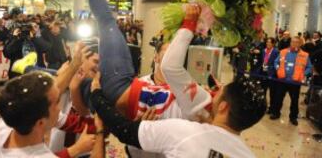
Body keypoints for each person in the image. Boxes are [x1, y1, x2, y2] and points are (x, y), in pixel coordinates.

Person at [74, 0, 211, 123]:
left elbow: (170, 67)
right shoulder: (198, 104)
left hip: (118, 88)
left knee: (107, 23)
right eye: (166, 53)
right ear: (156, 58)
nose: (171, 57)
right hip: (125, 83)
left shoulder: (199, 109)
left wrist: (189, 25)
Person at [90, 71, 266, 158]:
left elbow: (124, 130)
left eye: (220, 91)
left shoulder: (186, 133)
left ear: (223, 107)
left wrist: (96, 95)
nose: (216, 91)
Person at [0, 71, 105, 158]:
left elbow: (71, 122)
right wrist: (99, 132)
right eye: (57, 103)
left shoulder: (2, 125)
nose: (61, 108)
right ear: (41, 122)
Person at [271, 36, 312, 125]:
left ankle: (293, 117)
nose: (294, 44)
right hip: (282, 80)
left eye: (297, 42)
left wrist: (304, 74)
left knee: (294, 101)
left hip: (295, 82)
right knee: (278, 98)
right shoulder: (283, 52)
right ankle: (276, 113)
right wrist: (278, 69)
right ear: (290, 43)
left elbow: (309, 67)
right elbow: (276, 62)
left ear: (300, 43)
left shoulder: (305, 55)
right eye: (293, 42)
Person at [258, 37, 279, 114]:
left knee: (272, 93)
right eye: (267, 42)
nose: (268, 43)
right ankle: (262, 106)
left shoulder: (276, 52)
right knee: (263, 91)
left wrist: (269, 68)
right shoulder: (263, 51)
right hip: (263, 73)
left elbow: (277, 63)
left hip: (271, 74)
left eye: (270, 42)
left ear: (273, 43)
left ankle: (271, 108)